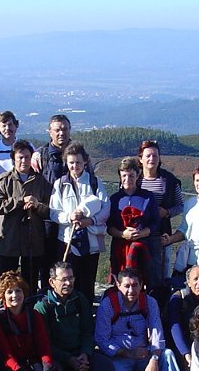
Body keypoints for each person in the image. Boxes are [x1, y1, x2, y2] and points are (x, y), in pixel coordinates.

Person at [94, 267, 182, 371]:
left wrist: (154, 359)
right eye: (126, 286)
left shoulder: (149, 302)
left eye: (135, 285)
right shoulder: (108, 305)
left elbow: (157, 332)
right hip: (120, 356)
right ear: (118, 285)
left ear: (141, 285)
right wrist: (126, 353)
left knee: (168, 354)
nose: (131, 290)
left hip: (144, 354)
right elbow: (101, 339)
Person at [34, 261, 103, 371]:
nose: (68, 283)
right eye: (63, 279)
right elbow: (43, 343)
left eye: (71, 278)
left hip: (79, 352)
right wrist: (68, 359)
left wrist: (85, 353)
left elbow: (88, 330)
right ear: (52, 282)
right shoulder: (43, 307)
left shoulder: (80, 300)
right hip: (57, 355)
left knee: (107, 366)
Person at [0, 139, 52, 292]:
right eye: (20, 157)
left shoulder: (41, 181)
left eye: (27, 157)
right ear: (13, 159)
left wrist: (37, 205)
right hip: (9, 239)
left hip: (33, 240)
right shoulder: (3, 180)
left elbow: (50, 209)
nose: (24, 161)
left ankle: (30, 305)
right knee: (5, 280)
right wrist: (19, 201)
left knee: (30, 281)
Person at [49, 142, 109, 303]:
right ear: (66, 163)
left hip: (91, 241)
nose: (74, 166)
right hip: (67, 241)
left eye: (78, 162)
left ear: (85, 162)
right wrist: (69, 217)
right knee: (68, 281)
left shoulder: (95, 183)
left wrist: (90, 221)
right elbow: (54, 212)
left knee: (87, 282)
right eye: (71, 162)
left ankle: (86, 312)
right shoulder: (60, 184)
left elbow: (106, 208)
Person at [33, 114, 73, 292]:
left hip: (71, 219)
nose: (61, 133)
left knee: (70, 263)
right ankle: (47, 297)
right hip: (48, 217)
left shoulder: (78, 153)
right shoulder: (41, 155)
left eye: (64, 129)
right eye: (57, 130)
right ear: (50, 132)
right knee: (48, 262)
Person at [106, 156, 159, 287]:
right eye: (124, 175)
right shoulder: (114, 199)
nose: (127, 179)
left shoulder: (148, 197)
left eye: (131, 175)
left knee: (142, 283)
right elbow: (109, 226)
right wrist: (123, 234)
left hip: (143, 248)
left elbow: (155, 222)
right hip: (120, 249)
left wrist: (141, 233)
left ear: (137, 175)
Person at [137, 140, 183, 286]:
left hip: (162, 234)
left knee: (161, 274)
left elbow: (180, 205)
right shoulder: (134, 179)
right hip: (138, 235)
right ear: (140, 159)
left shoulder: (170, 180)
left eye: (155, 156)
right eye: (148, 156)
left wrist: (167, 212)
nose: (152, 159)